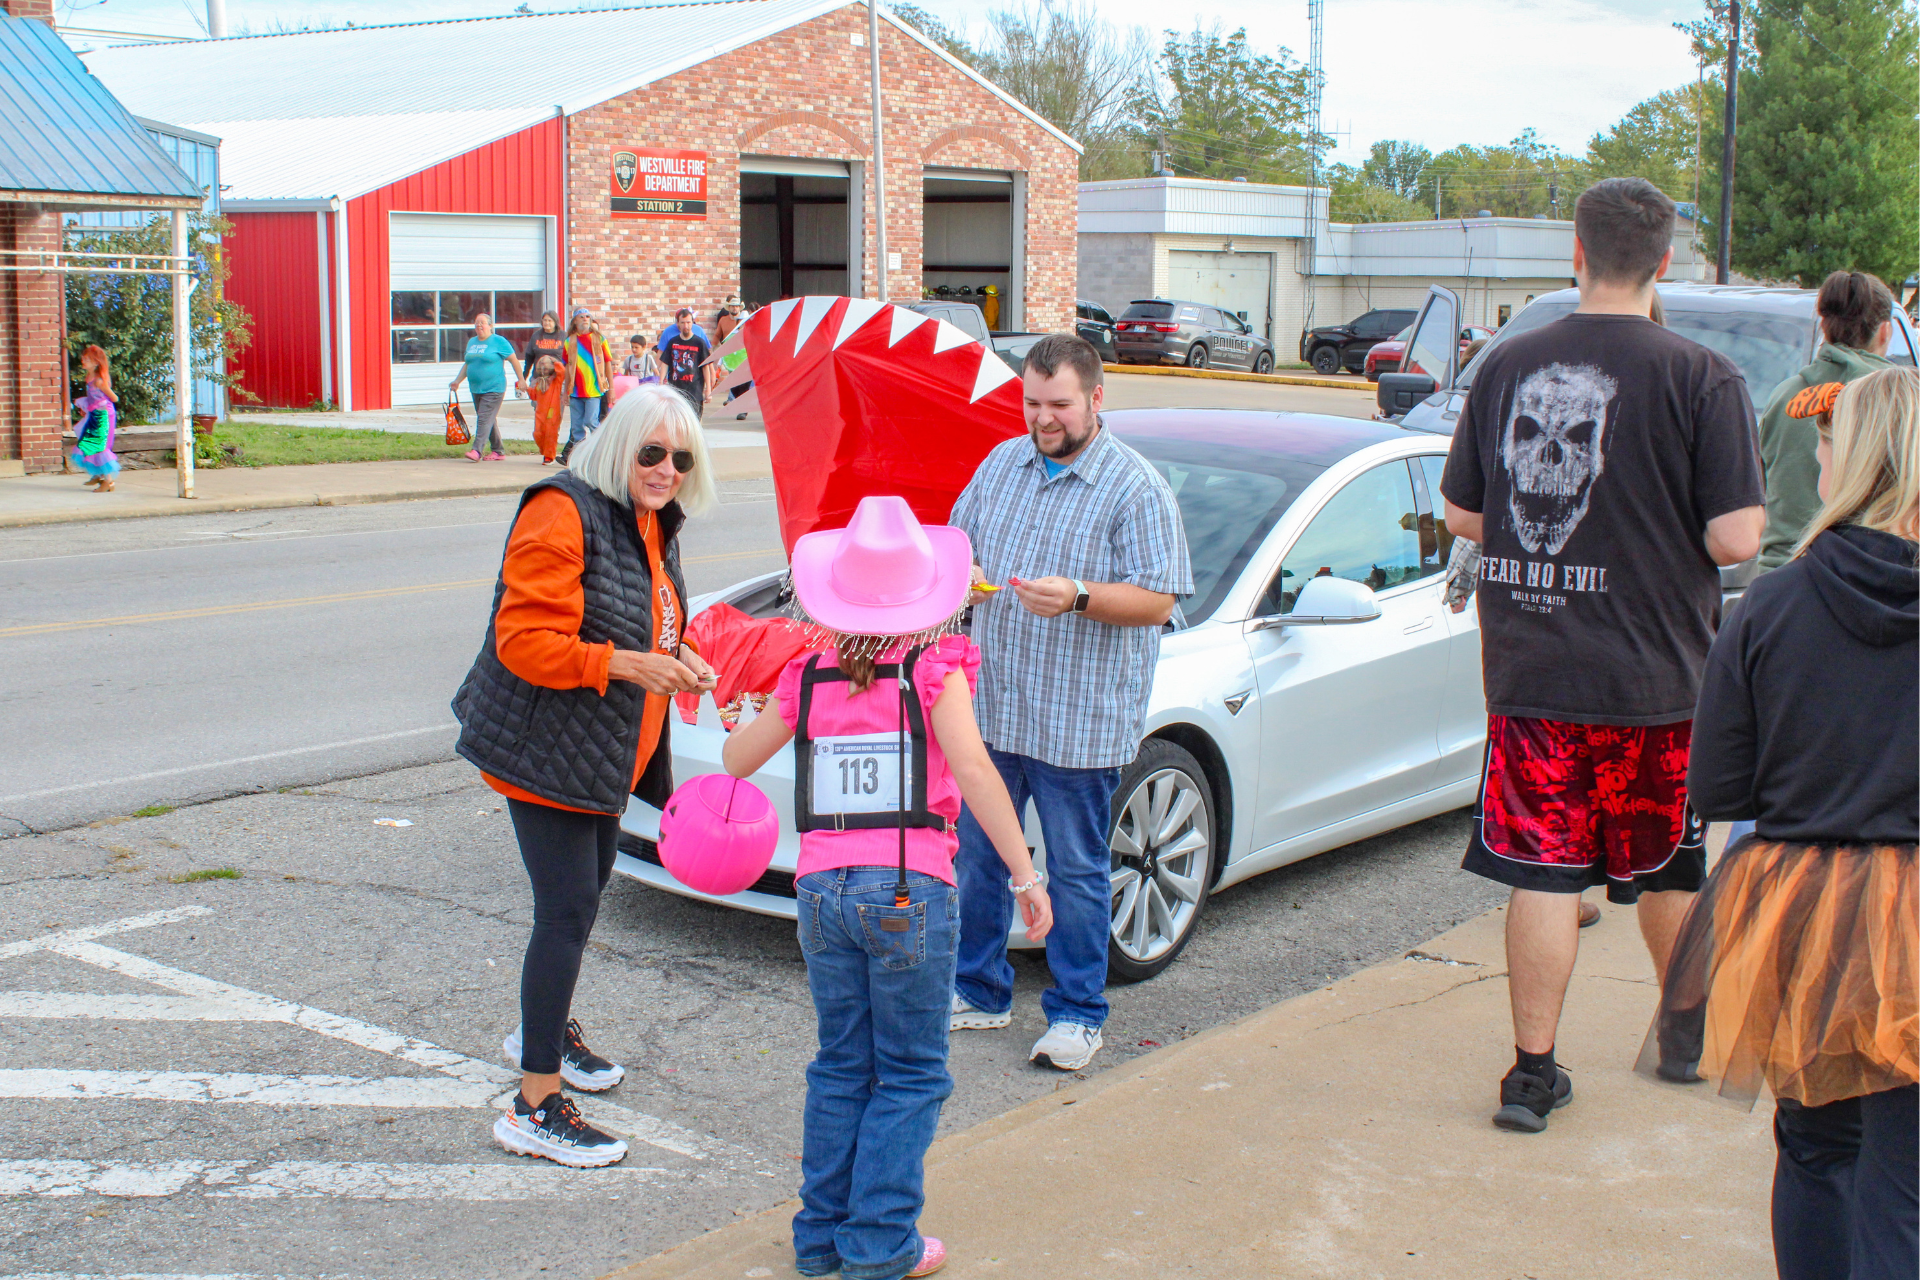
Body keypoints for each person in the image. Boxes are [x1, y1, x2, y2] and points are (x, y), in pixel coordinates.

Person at [1438, 176, 1766, 1133]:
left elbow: (1462, 509)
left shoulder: (1507, 364)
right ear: (1664, 262)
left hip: (1535, 671)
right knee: (1671, 864)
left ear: (1574, 254)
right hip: (1661, 680)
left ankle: (1530, 1077)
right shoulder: (1705, 376)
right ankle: (1681, 1038)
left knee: (1543, 871)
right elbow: (1739, 539)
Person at [722, 494, 1054, 1280]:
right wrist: (1025, 874)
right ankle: (879, 1248)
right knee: (910, 1071)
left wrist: (747, 713)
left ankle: (820, 1240)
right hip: (909, 891)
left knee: (841, 1063)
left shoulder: (807, 674)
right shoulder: (934, 670)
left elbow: (737, 760)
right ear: (924, 598)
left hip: (821, 894)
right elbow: (973, 773)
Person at [1641, 366, 1917, 1278]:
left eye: (1830, 442)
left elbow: (1720, 786)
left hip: (1810, 905)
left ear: (1851, 462)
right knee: (1907, 1183)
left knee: (1816, 1150)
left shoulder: (1771, 603)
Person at [453, 384, 721, 1167]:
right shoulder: (561, 509)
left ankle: (547, 1029)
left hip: (603, 751)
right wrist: (630, 664)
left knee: (583, 899)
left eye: (680, 457)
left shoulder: (650, 520)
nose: (666, 468)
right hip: (548, 752)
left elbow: (651, 616)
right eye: (651, 452)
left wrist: (681, 655)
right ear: (617, 446)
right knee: (566, 913)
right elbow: (524, 639)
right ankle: (535, 1102)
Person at [947, 332, 1193, 1072]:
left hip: (1078, 719)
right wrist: (964, 577)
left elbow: (1158, 601)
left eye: (1059, 405)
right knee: (981, 858)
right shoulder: (1000, 463)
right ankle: (980, 990)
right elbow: (957, 549)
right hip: (995, 706)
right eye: (1032, 402)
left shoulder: (1135, 487)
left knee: (1080, 869)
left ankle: (1079, 1013)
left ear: (1095, 398)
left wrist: (1079, 597)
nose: (1043, 418)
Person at [1758, 271, 1897, 573]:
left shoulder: (1786, 396)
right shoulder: (1902, 404)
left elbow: (1759, 488)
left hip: (1781, 576)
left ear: (1824, 326)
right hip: (1873, 586)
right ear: (1885, 331)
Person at [448, 312, 526, 463]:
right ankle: (498, 451)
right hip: (476, 388)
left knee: (484, 419)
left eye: (482, 323)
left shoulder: (498, 341)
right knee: (488, 419)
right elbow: (468, 364)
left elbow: (514, 360)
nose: (479, 326)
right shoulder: (472, 342)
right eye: (476, 323)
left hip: (494, 388)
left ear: (490, 326)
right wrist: (458, 381)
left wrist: (521, 379)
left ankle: (477, 450)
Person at [561, 308, 611, 466]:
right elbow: (568, 367)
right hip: (576, 391)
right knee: (576, 427)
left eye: (588, 316)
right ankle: (579, 459)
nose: (585, 319)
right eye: (581, 317)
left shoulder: (599, 339)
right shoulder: (570, 341)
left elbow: (608, 362)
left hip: (593, 390)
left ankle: (600, 453)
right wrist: (565, 391)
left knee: (591, 421)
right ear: (575, 321)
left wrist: (612, 388)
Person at [70, 344, 119, 493]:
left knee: (99, 447)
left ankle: (108, 482)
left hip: (103, 416)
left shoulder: (99, 381)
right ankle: (98, 475)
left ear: (96, 362)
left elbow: (114, 398)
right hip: (95, 415)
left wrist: (99, 406)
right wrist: (87, 409)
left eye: (87, 360)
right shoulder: (89, 378)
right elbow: (92, 398)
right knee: (88, 444)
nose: (83, 362)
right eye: (83, 359)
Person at [659, 307, 712, 418]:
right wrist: (660, 382)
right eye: (682, 323)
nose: (686, 326)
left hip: (695, 389)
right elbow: (665, 362)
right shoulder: (673, 342)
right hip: (676, 389)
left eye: (688, 322)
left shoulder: (699, 342)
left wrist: (708, 389)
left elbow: (705, 367)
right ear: (678, 324)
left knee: (694, 420)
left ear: (692, 322)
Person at [527, 353, 564, 465]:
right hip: (540, 412)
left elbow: (562, 370)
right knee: (537, 434)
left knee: (550, 434)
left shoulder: (556, 381)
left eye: (546, 367)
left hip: (552, 412)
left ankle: (549, 455)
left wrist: (553, 360)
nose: (544, 369)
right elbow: (534, 395)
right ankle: (545, 451)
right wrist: (525, 388)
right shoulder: (538, 382)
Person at [522, 310, 565, 382]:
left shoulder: (563, 336)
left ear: (555, 322)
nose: (547, 323)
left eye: (550, 320)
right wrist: (523, 378)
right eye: (545, 320)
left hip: (558, 378)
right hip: (538, 377)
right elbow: (529, 359)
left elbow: (569, 359)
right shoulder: (536, 335)